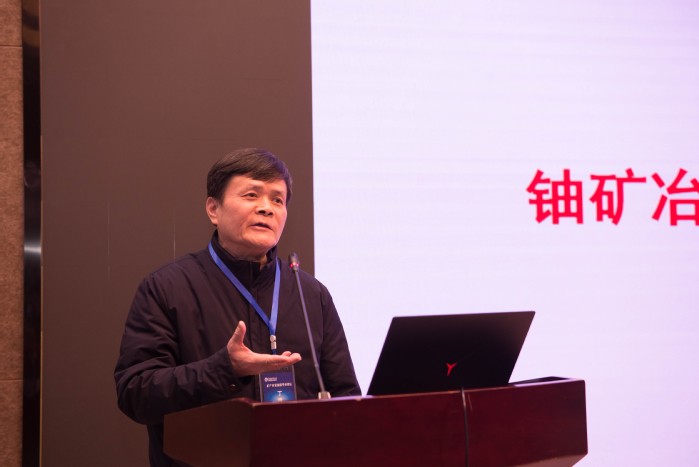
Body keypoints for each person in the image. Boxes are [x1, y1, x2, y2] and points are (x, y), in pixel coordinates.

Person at [114, 148, 361, 466]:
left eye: (277, 200)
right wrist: (224, 369)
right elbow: (135, 393)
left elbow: (346, 395)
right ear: (213, 209)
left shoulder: (312, 294)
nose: (266, 208)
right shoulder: (167, 288)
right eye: (251, 195)